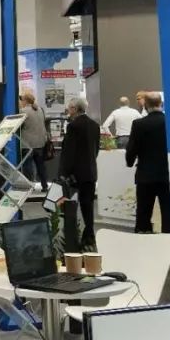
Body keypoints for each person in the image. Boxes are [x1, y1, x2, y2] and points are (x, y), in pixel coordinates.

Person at [125, 92, 170, 234]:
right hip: (167, 174)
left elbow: (132, 148)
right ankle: (169, 239)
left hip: (145, 174)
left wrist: (129, 162)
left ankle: (143, 237)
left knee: (143, 213)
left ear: (145, 106)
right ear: (161, 104)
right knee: (168, 212)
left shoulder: (139, 124)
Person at [59, 97, 100, 250]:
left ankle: (71, 239)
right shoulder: (95, 125)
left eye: (69, 108)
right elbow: (96, 149)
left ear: (75, 109)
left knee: (70, 207)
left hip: (75, 175)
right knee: (88, 206)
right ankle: (89, 236)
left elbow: (69, 152)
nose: (68, 111)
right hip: (90, 171)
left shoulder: (73, 126)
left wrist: (64, 173)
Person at [18, 91, 48, 192]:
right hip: (40, 143)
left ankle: (29, 187)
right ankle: (44, 186)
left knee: (28, 166)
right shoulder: (40, 110)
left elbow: (20, 126)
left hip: (27, 143)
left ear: (25, 101)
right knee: (41, 166)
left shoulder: (23, 111)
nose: (21, 102)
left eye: (22, 100)